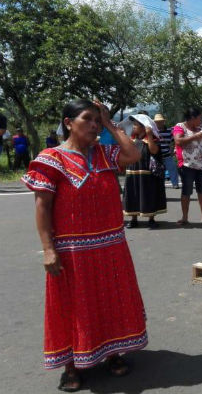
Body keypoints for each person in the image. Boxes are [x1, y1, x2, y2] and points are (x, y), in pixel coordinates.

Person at [21, 99, 147, 391]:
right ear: (68, 123)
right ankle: (71, 366)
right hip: (72, 252)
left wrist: (110, 123)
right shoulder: (52, 158)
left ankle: (113, 353)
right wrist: (48, 249)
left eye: (96, 120)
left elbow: (133, 154)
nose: (94, 125)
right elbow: (42, 207)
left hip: (110, 245)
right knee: (72, 307)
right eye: (87, 119)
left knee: (111, 301)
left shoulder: (105, 153)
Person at [123, 115, 167, 228]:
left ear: (144, 127)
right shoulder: (132, 138)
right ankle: (133, 219)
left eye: (136, 125)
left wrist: (149, 135)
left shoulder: (152, 139)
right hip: (132, 172)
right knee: (133, 194)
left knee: (149, 194)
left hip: (147, 173)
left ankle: (151, 219)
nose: (133, 127)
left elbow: (154, 150)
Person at [173, 107, 202, 225]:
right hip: (186, 165)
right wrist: (196, 136)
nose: (201, 120)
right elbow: (178, 141)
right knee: (186, 191)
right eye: (199, 118)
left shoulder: (201, 130)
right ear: (192, 118)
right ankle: (185, 217)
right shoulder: (180, 127)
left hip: (201, 165)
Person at [155, 113, 179, 189]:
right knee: (158, 171)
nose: (159, 123)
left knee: (173, 169)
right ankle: (160, 185)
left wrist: (173, 149)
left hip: (167, 155)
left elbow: (174, 140)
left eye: (160, 121)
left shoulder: (169, 131)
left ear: (163, 122)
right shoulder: (153, 132)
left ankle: (175, 184)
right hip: (157, 156)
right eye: (157, 122)